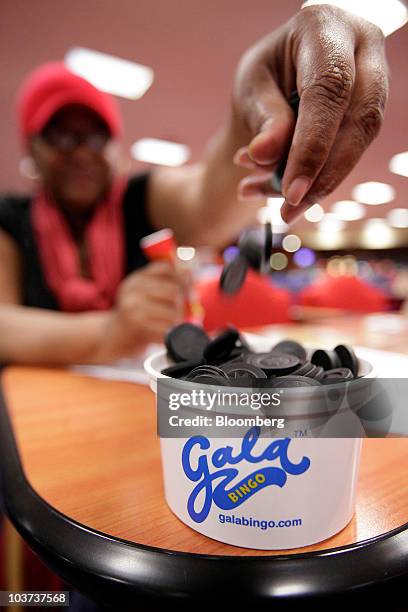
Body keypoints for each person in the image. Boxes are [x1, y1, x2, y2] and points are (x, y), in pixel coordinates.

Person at [0, 4, 389, 365]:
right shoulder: (11, 218)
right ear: (32, 150)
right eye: (62, 137)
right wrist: (110, 331)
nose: (82, 152)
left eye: (95, 136)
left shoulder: (138, 198)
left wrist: (248, 115)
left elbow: (211, 206)